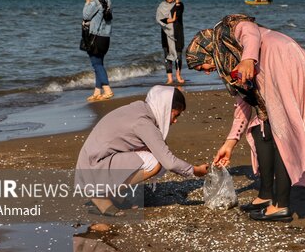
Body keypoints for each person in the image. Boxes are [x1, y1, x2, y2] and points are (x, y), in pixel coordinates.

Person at [186, 14, 305, 222]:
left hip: (285, 60)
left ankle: (281, 205)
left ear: (206, 52)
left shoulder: (225, 31)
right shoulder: (231, 60)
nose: (207, 72)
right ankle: (265, 195)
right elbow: (243, 103)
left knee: (282, 134)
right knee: (260, 129)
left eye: (201, 67)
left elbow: (249, 29)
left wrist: (248, 59)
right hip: (278, 66)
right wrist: (229, 144)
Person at [75, 86, 209, 216]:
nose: (175, 121)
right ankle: (102, 195)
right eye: (175, 115)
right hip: (94, 166)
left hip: (93, 162)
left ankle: (112, 193)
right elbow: (170, 163)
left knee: (158, 158)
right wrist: (196, 171)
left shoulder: (141, 109)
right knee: (156, 163)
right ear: (165, 108)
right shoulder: (143, 122)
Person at [83, 0, 114, 101]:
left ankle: (107, 90)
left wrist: (87, 2)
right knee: (99, 64)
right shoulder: (108, 0)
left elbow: (85, 15)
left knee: (96, 64)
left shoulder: (95, 2)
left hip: (95, 37)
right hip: (106, 38)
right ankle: (97, 91)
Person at [156, 0, 185, 84]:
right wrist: (170, 20)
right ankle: (169, 78)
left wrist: (177, 0)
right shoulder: (161, 6)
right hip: (165, 35)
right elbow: (160, 19)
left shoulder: (179, 5)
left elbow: (179, 13)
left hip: (177, 34)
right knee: (167, 56)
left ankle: (178, 76)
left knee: (178, 56)